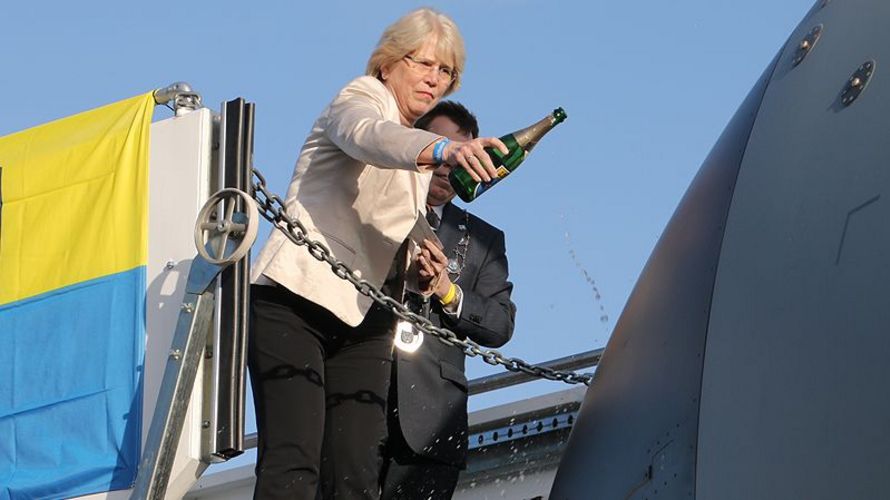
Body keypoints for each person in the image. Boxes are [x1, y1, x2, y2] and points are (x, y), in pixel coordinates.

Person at [247, 9, 509, 500]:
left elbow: (388, 229)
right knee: (294, 463)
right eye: (424, 63)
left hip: (365, 319)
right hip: (294, 299)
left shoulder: (415, 158)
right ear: (389, 62)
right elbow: (368, 137)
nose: (434, 80)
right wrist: (444, 150)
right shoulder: (361, 98)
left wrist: (426, 271)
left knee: (356, 475)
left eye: (445, 71)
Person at [381, 101, 517, 499]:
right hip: (357, 403)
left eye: (460, 156)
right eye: (441, 149)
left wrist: (447, 290)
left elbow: (500, 324)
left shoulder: (483, 239)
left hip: (432, 427)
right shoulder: (372, 207)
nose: (447, 166)